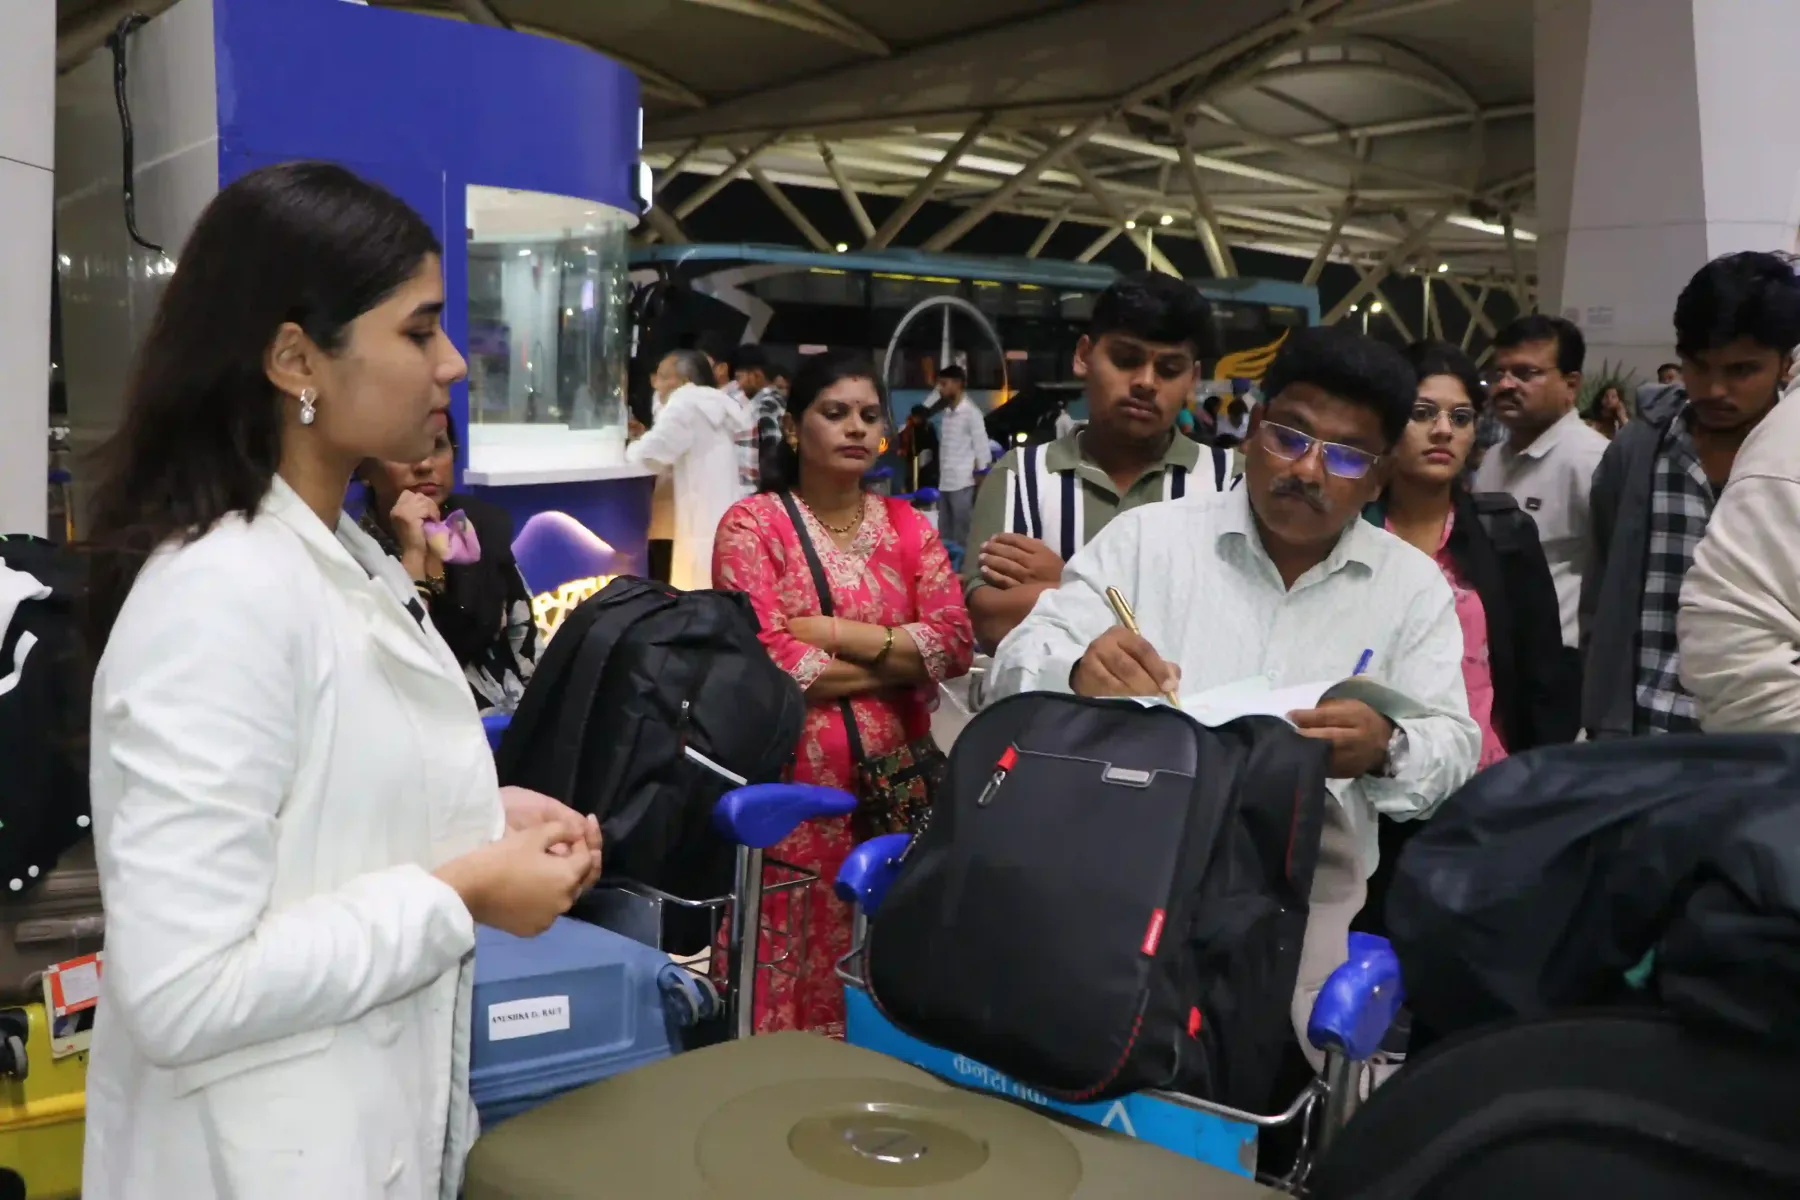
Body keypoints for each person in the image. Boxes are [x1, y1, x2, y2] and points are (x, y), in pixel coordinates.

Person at [78, 162, 602, 1200]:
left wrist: (474, 817)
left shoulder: (344, 558)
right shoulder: (219, 595)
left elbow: (312, 813)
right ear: (295, 360)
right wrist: (464, 891)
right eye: (419, 331)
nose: (452, 363)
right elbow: (184, 990)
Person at [988, 325, 1479, 1060]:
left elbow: (1455, 748)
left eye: (1346, 455)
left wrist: (1386, 747)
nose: (1308, 470)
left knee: (1260, 1103)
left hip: (1300, 923)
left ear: (1380, 477)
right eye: (1290, 436)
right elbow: (1011, 671)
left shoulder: (1410, 590)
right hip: (1114, 893)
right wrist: (1077, 671)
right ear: (1253, 431)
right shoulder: (1148, 542)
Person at [712, 351, 974, 1036]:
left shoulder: (909, 526)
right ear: (793, 428)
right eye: (835, 413)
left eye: (868, 415)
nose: (856, 427)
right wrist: (901, 657)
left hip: (897, 789)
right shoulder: (753, 526)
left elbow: (954, 643)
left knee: (887, 969)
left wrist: (834, 633)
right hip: (793, 799)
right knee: (788, 971)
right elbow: (772, 658)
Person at [1354, 341, 1578, 937]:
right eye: (1422, 413)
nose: (1442, 431)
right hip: (1375, 787)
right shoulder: (1351, 537)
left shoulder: (1502, 535)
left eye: (1459, 417)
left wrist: (1537, 791)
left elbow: (1542, 674)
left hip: (1486, 793)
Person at [1584, 252, 1799, 736]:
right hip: (1641, 738)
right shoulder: (1638, 451)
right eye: (1699, 367)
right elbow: (1600, 595)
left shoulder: (1790, 461)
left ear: (1786, 364)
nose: (1716, 389)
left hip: (1764, 738)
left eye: (1742, 370)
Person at [961, 272, 1226, 652]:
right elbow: (994, 622)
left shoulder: (1229, 482)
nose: (1146, 382)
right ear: (1083, 356)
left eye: (1169, 370)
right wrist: (1162, 603)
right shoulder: (1020, 478)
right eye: (1126, 360)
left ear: (1192, 379)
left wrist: (1068, 579)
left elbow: (1234, 623)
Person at [356, 413, 538, 714]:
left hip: (509, 720)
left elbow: (526, 645)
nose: (424, 464)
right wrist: (414, 555)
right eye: (402, 450)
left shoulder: (479, 528)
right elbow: (402, 663)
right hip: (417, 721)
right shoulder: (355, 554)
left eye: (437, 446)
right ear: (364, 469)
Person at [1471, 314, 1609, 648]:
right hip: (1495, 651)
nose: (1505, 385)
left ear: (1571, 385)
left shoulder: (1592, 460)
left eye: (1525, 373)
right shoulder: (1493, 458)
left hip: (1562, 657)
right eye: (1499, 373)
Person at [625, 348, 753, 589]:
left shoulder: (686, 403)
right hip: (723, 515)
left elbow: (651, 453)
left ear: (683, 381)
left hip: (697, 518)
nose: (656, 385)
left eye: (663, 377)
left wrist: (628, 449)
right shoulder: (715, 404)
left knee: (696, 587)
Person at [933, 364, 990, 549]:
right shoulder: (946, 414)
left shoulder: (972, 413)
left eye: (944, 384)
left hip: (963, 483)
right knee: (944, 535)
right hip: (945, 482)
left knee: (962, 535)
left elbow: (982, 448)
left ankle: (965, 566)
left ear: (958, 384)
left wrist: (981, 479)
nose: (940, 389)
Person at [734, 343, 786, 489]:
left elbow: (772, 451)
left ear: (756, 375)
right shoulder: (774, 400)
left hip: (761, 491)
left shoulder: (766, 405)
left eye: (739, 378)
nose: (738, 385)